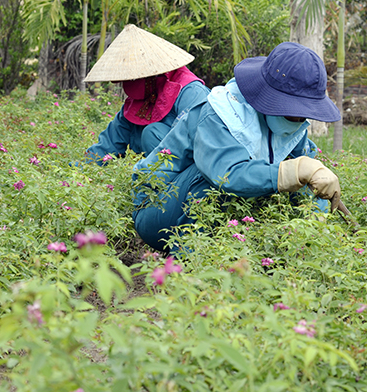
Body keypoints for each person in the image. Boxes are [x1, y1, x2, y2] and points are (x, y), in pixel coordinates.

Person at [132, 42, 342, 252]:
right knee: (211, 183)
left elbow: (305, 175)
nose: (298, 120)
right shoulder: (221, 112)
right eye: (293, 112)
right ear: (270, 99)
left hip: (203, 203)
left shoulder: (293, 124)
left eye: (303, 114)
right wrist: (293, 170)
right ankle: (188, 265)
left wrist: (318, 216)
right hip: (157, 209)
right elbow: (229, 174)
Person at [74, 24, 210, 165]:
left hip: (193, 173)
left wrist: (143, 174)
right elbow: (109, 143)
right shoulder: (142, 99)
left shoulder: (191, 92)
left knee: (152, 133)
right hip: (154, 173)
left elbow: (203, 145)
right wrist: (77, 170)